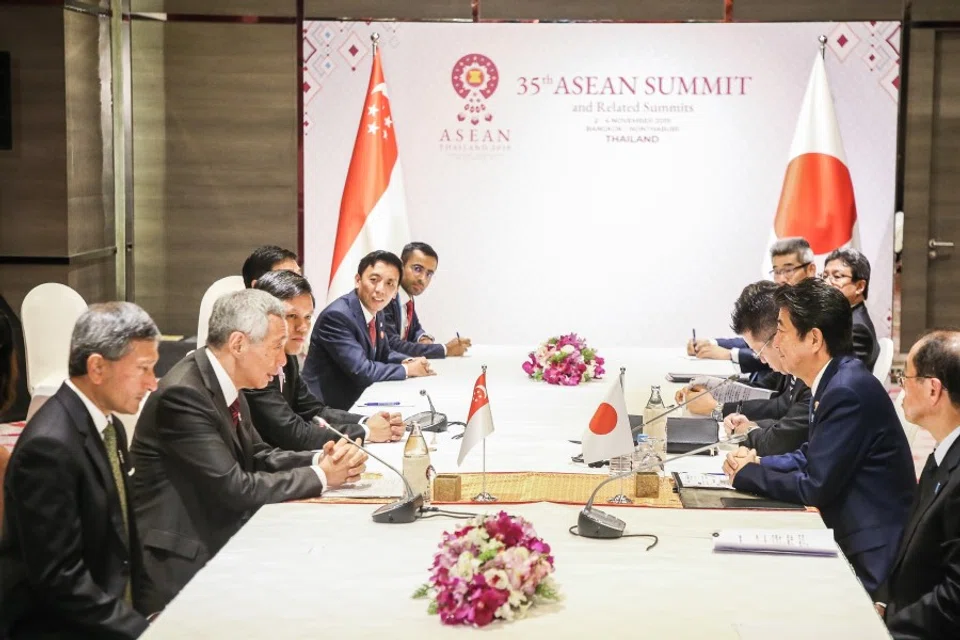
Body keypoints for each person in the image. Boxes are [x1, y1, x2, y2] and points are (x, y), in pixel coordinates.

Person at [130, 290, 367, 613]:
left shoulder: (225, 379)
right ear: (238, 344)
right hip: (182, 559)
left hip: (219, 530)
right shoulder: (185, 395)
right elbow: (235, 487)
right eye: (275, 348)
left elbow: (257, 455)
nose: (283, 361)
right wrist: (321, 476)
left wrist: (318, 459)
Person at [723, 279, 915, 596]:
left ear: (813, 339)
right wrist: (760, 460)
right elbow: (811, 453)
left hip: (869, 551)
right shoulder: (834, 378)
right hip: (852, 527)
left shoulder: (845, 390)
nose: (776, 342)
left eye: (781, 331)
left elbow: (816, 486)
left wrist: (749, 475)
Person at [0, 302, 161, 638]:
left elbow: (124, 538)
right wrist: (140, 630)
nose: (153, 383)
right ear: (98, 367)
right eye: (143, 369)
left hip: (110, 618)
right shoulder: (50, 446)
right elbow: (59, 577)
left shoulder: (108, 425)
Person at [247, 270, 405, 448]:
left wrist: (368, 421)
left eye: (307, 317)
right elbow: (293, 434)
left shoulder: (288, 356)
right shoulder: (253, 365)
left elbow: (315, 410)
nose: (302, 327)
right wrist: (367, 431)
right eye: (291, 316)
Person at [875, 331, 960, 639]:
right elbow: (910, 544)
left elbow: (954, 600)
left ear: (933, 389)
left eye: (905, 377)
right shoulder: (943, 452)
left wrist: (884, 631)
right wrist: (883, 600)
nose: (901, 388)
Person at [683, 282, 812, 456]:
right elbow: (783, 410)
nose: (760, 359)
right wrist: (752, 426)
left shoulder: (815, 374)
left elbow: (783, 440)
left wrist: (720, 411)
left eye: (758, 351)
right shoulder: (795, 367)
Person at [303, 250, 434, 411]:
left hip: (357, 400)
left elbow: (384, 353)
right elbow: (362, 371)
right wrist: (407, 370)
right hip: (325, 410)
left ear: (395, 292)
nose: (380, 289)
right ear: (358, 280)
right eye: (374, 280)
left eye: (390, 284)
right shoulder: (337, 316)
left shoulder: (376, 311)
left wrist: (407, 360)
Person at [688, 237, 817, 373]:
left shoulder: (819, 310)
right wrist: (712, 343)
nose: (780, 279)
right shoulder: (782, 304)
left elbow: (773, 351)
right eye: (777, 272)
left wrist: (729, 354)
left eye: (788, 270)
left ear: (810, 269)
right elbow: (759, 337)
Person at [383, 242, 471, 359]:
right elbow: (391, 345)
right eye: (417, 269)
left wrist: (423, 338)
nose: (422, 279)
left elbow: (415, 328)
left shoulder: (407, 298)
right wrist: (445, 349)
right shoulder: (384, 297)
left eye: (429, 274)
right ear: (400, 266)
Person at [821, 248, 880, 371]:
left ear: (859, 286)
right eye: (825, 276)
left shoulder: (857, 329)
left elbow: (844, 376)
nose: (826, 282)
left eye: (837, 276)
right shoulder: (842, 316)